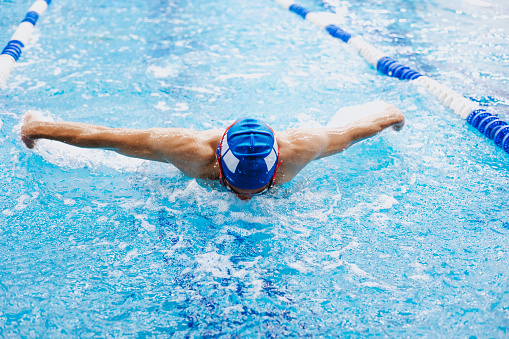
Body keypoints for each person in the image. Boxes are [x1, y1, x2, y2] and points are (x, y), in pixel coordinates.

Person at [21, 103, 405, 199]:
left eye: (258, 186)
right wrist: (41, 128)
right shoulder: (185, 149)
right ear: (216, 163)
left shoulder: (303, 147)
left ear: (279, 165)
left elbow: (353, 132)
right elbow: (108, 137)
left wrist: (391, 115)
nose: (245, 196)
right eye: (238, 185)